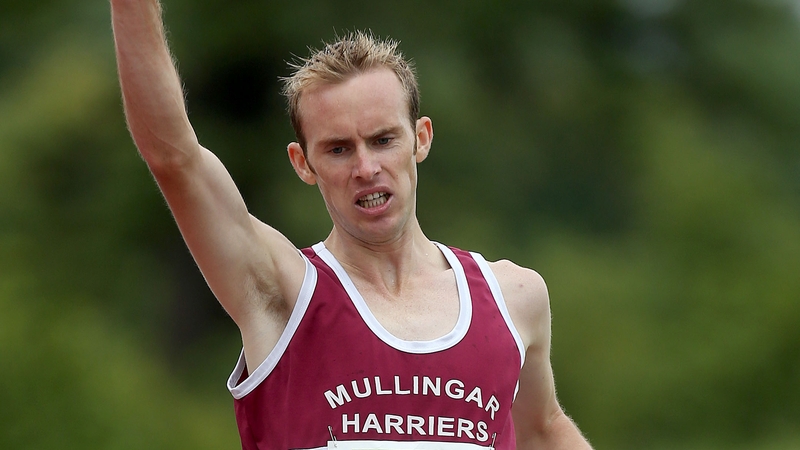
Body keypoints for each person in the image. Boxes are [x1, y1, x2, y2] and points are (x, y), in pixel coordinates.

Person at [110, 1, 592, 449]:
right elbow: (173, 155)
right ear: (302, 163)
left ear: (420, 139)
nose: (366, 168)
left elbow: (543, 430)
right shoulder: (283, 293)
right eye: (338, 149)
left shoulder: (514, 299)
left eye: (383, 140)